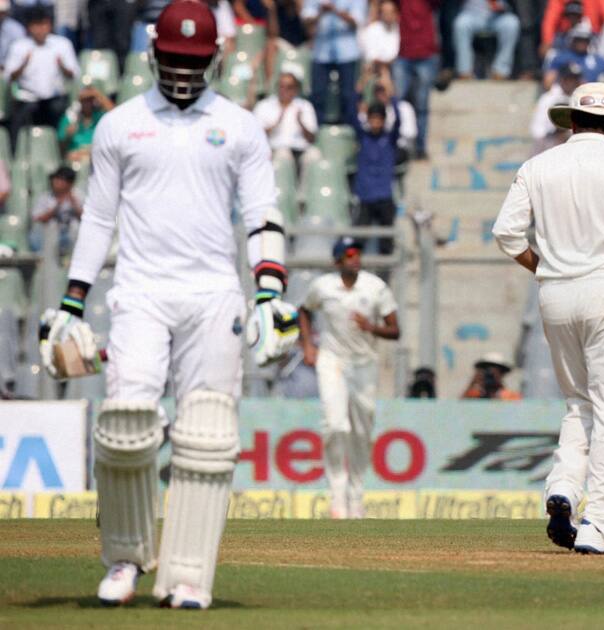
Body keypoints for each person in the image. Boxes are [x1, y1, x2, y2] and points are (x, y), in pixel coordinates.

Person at [36, 1, 300, 609]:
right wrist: (74, 301)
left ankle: (187, 576)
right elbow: (99, 218)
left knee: (206, 435)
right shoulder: (120, 124)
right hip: (140, 292)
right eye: (173, 59)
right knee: (127, 421)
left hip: (212, 295)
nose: (182, 71)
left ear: (215, 58)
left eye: (194, 60)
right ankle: (125, 561)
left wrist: (270, 290)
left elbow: (263, 212)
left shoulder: (239, 126)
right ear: (153, 52)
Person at [493, 82, 604, 555]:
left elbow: (507, 233)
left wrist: (542, 265)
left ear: (572, 121)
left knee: (578, 403)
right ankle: (601, 523)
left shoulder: (538, 164)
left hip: (555, 294)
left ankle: (563, 487)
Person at [299, 236, 400, 518]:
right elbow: (304, 311)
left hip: (365, 363)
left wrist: (371, 327)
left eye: (357, 253)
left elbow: (395, 330)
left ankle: (356, 494)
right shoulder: (323, 287)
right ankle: (338, 496)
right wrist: (308, 345)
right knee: (334, 425)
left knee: (361, 432)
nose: (355, 258)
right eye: (349, 254)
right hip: (332, 361)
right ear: (337, 261)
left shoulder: (375, 287)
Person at [4, 6, 78, 152]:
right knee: (19, 118)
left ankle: (59, 153)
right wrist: (23, 65)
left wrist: (62, 66)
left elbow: (74, 75)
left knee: (59, 112)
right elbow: (9, 77)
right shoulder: (19, 46)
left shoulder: (62, 44)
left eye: (44, 24)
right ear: (29, 27)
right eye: (36, 25)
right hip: (28, 99)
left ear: (50, 25)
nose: (40, 29)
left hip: (55, 99)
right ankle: (17, 155)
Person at [302, 0, 367, 124]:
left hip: (347, 52)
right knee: (318, 95)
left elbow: (357, 21)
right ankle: (318, 133)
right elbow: (306, 20)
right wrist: (321, 12)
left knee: (348, 96)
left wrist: (335, 10)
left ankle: (348, 132)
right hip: (321, 52)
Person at [351, 100, 399, 255]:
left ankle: (386, 276)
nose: (376, 122)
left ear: (384, 120)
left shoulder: (390, 139)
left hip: (385, 196)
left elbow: (399, 120)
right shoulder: (363, 138)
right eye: (372, 118)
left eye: (379, 119)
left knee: (386, 242)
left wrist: (392, 97)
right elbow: (352, 115)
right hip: (365, 196)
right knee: (359, 239)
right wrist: (359, 94)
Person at [394, 0, 438, 160]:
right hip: (403, 54)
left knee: (422, 105)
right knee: (397, 103)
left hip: (426, 54)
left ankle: (420, 148)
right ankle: (397, 144)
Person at [252, 69, 318, 166]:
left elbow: (312, 139)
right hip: (274, 149)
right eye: (281, 86)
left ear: (296, 90)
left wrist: (301, 123)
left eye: (289, 87)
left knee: (314, 155)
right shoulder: (264, 106)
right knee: (284, 155)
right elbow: (255, 136)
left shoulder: (305, 106)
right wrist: (275, 124)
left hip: (300, 149)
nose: (284, 90)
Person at [453, 0, 520, 80]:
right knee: (461, 24)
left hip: (497, 16)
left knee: (512, 24)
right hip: (471, 14)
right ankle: (464, 71)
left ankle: (501, 71)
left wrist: (501, 6)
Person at [29, 165, 82, 256]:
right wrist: (56, 208)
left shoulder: (79, 195)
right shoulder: (46, 196)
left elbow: (86, 218)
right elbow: (37, 218)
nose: (55, 182)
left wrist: (74, 204)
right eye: (55, 179)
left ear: (69, 183)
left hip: (73, 237)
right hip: (48, 238)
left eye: (60, 179)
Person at [529, 61, 581, 151]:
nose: (572, 82)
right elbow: (537, 130)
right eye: (569, 78)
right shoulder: (548, 98)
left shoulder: (579, 98)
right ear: (562, 78)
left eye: (575, 79)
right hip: (548, 145)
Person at [57, 86, 116, 161]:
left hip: (96, 157)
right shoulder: (69, 119)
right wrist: (68, 137)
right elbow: (60, 149)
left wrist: (98, 95)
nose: (87, 103)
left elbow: (115, 115)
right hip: (76, 161)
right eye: (84, 100)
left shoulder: (100, 117)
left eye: (90, 100)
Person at [360, 0, 400, 65]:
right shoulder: (372, 30)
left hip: (399, 66)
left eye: (391, 12)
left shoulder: (400, 29)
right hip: (378, 69)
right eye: (385, 13)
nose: (388, 16)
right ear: (380, 14)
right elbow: (371, 56)